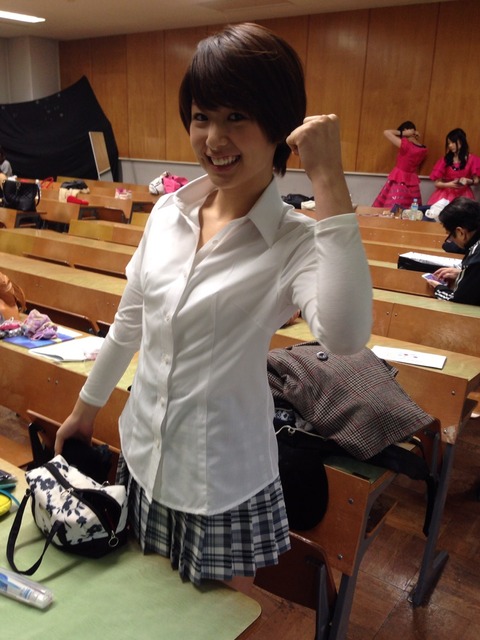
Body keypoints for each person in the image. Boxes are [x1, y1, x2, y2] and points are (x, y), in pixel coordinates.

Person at [54, 23, 372, 586]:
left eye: (236, 117)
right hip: (142, 454)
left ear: (278, 127)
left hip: (218, 481)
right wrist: (86, 408)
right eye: (202, 116)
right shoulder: (168, 214)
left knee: (203, 618)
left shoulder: (294, 241)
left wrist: (327, 177)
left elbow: (345, 335)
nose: (214, 139)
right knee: (141, 601)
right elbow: (130, 322)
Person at [425, 197, 480, 304]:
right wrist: (465, 274)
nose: (451, 240)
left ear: (460, 232)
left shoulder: (476, 256)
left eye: (449, 235)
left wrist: (438, 288)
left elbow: (458, 299)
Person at [372, 121, 427, 209]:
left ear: (405, 130)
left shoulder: (406, 145)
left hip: (399, 178)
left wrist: (403, 133)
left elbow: (386, 132)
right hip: (412, 180)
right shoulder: (423, 149)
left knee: (394, 206)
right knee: (412, 208)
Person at [427, 128, 479, 206]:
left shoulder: (472, 159)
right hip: (444, 195)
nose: (450, 145)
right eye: (448, 143)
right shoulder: (445, 160)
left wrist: (468, 181)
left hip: (464, 195)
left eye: (453, 142)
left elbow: (476, 181)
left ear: (462, 141)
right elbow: (437, 183)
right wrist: (449, 184)